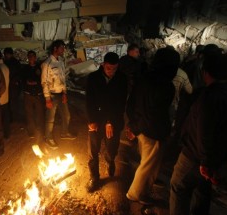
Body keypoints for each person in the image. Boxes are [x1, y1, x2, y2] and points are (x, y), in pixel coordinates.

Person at [169, 53, 227, 215]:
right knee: (202, 189)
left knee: (178, 187)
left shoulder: (209, 97)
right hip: (217, 154)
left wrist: (205, 161)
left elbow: (204, 132)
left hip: (195, 155)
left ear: (205, 72)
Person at [125, 48, 180, 205]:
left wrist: (133, 124)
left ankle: (146, 183)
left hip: (142, 127)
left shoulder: (144, 78)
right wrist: (135, 128)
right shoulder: (166, 86)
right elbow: (154, 114)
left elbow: (131, 102)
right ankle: (136, 193)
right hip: (152, 130)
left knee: (146, 161)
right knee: (148, 165)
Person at [85, 52, 128, 193]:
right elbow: (89, 101)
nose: (112, 72)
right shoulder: (93, 78)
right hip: (96, 120)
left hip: (113, 121)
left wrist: (110, 121)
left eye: (115, 69)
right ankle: (94, 177)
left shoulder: (122, 79)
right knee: (93, 151)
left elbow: (120, 104)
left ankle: (110, 160)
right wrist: (91, 121)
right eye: (109, 68)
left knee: (111, 148)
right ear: (103, 65)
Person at [41, 40, 75, 149]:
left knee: (67, 115)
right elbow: (44, 82)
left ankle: (64, 133)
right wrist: (47, 99)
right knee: (50, 119)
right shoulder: (47, 63)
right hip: (52, 95)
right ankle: (48, 138)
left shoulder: (61, 60)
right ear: (55, 48)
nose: (63, 50)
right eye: (62, 48)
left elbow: (63, 78)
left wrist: (65, 93)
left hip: (61, 94)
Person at [20, 50, 45, 141]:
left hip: (38, 94)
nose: (31, 58)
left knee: (40, 113)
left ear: (35, 57)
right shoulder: (25, 68)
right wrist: (27, 84)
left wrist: (36, 83)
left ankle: (40, 129)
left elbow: (43, 79)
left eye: (32, 56)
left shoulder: (40, 68)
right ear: (28, 57)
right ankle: (31, 131)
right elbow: (22, 79)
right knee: (29, 113)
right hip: (28, 94)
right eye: (29, 56)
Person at [3, 47, 22, 124]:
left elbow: (19, 74)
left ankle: (13, 117)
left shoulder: (13, 63)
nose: (6, 56)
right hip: (10, 85)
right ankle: (11, 117)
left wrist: (15, 81)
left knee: (12, 102)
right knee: (10, 102)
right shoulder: (8, 62)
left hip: (12, 85)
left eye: (7, 54)